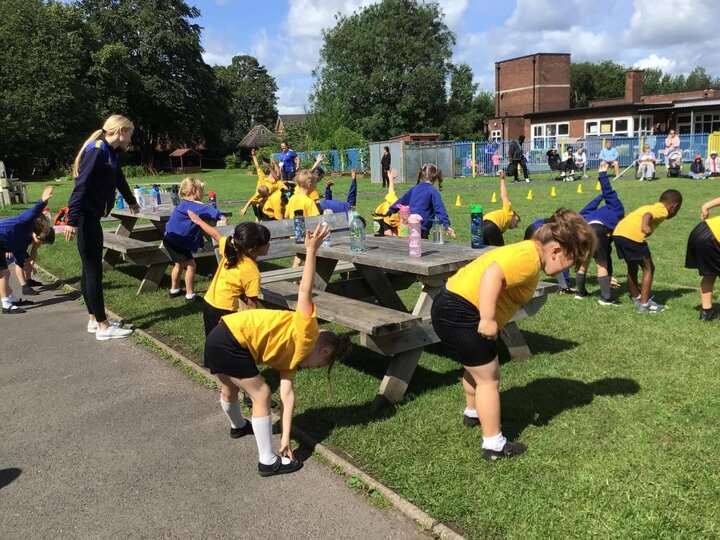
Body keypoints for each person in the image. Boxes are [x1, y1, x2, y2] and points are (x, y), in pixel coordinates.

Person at [430, 208, 595, 460]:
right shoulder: (529, 259)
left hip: (453, 306)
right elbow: (492, 275)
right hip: (459, 312)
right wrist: (487, 319)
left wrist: (494, 318)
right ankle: (494, 445)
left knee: (476, 366)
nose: (568, 270)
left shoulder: (527, 252)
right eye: (569, 263)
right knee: (489, 377)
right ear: (555, 251)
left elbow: (496, 286)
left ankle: (473, 413)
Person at [203, 223, 351, 476]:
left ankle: (238, 426)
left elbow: (287, 397)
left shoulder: (292, 360)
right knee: (261, 394)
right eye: (318, 366)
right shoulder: (307, 331)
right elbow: (305, 290)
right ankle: (268, 462)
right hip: (231, 338)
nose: (311, 368)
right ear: (324, 351)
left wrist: (285, 438)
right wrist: (311, 251)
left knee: (229, 387)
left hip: (219, 335)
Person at [65, 115, 138, 340]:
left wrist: (131, 200)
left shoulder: (110, 152)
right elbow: (81, 186)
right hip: (85, 218)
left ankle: (93, 320)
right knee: (93, 271)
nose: (130, 139)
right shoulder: (97, 151)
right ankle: (103, 327)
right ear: (121, 131)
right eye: (130, 134)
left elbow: (118, 177)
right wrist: (72, 220)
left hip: (92, 217)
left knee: (90, 269)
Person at [187, 214, 271, 335]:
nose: (269, 244)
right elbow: (251, 305)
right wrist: (254, 331)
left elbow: (215, 234)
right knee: (226, 342)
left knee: (211, 339)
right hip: (225, 310)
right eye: (266, 242)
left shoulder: (231, 249)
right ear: (252, 250)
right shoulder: (252, 272)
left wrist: (199, 221)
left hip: (209, 302)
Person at [613, 189, 683, 313]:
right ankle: (644, 305)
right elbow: (648, 215)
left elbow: (644, 213)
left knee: (632, 266)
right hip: (632, 237)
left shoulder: (649, 206)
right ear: (675, 206)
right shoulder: (662, 210)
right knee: (649, 268)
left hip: (619, 234)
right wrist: (645, 225)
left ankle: (636, 297)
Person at [163, 177, 226, 302]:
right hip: (178, 242)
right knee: (191, 266)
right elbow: (208, 209)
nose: (203, 192)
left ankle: (174, 290)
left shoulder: (182, 204)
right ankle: (190, 295)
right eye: (202, 190)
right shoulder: (193, 206)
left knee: (179, 264)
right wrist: (221, 216)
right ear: (194, 191)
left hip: (170, 239)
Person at [574, 162, 625, 305]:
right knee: (601, 264)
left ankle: (580, 293)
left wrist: (600, 197)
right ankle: (606, 298)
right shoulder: (617, 209)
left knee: (584, 261)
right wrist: (602, 175)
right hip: (597, 230)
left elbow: (584, 210)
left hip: (582, 230)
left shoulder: (594, 212)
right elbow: (609, 192)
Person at [0, 186, 55, 314]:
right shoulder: (25, 223)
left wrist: (22, 264)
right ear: (37, 235)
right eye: (42, 242)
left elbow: (19, 254)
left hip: (1, 245)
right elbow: (33, 212)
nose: (41, 245)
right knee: (4, 274)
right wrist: (43, 201)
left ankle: (12, 299)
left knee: (4, 274)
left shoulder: (26, 241)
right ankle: (6, 305)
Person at [387, 164, 455, 239]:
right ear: (435, 177)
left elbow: (402, 201)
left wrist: (391, 210)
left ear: (421, 176)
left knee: (411, 244)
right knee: (420, 245)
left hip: (409, 226)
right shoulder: (433, 191)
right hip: (422, 227)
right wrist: (446, 225)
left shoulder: (414, 189)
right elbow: (440, 209)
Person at [685, 197, 720, 321]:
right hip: (713, 238)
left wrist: (706, 206)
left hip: (702, 229)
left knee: (710, 274)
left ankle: (706, 312)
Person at [482, 171, 520, 246]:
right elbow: (504, 195)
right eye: (517, 221)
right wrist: (502, 179)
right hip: (492, 225)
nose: (516, 225)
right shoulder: (509, 212)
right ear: (514, 215)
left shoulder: (503, 225)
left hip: (481, 225)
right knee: (500, 250)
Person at [240, 148, 280, 220]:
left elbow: (277, 176)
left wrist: (273, 164)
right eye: (272, 173)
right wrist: (254, 156)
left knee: (260, 217)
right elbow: (257, 166)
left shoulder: (274, 183)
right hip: (260, 205)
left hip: (266, 205)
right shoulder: (263, 178)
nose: (273, 173)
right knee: (258, 217)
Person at [372, 169, 400, 236]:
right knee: (389, 237)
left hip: (394, 223)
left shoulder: (404, 221)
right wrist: (391, 179)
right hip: (383, 217)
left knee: (397, 237)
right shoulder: (394, 202)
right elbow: (391, 191)